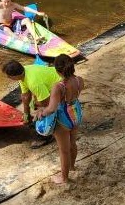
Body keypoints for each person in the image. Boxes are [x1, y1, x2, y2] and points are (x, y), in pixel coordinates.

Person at [32, 54, 84, 184]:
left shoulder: (58, 86)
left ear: (56, 70)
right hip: (76, 113)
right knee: (72, 144)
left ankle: (64, 178)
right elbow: (74, 96)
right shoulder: (79, 80)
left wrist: (41, 113)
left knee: (64, 150)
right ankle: (72, 167)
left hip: (63, 118)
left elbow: (52, 109)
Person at [1, 59, 61, 148]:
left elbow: (47, 102)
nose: (7, 78)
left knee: (43, 109)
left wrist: (39, 107)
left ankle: (45, 136)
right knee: (35, 104)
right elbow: (25, 96)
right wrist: (26, 114)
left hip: (63, 87)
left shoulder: (33, 83)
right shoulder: (24, 72)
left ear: (14, 76)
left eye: (8, 76)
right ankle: (44, 120)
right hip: (51, 86)